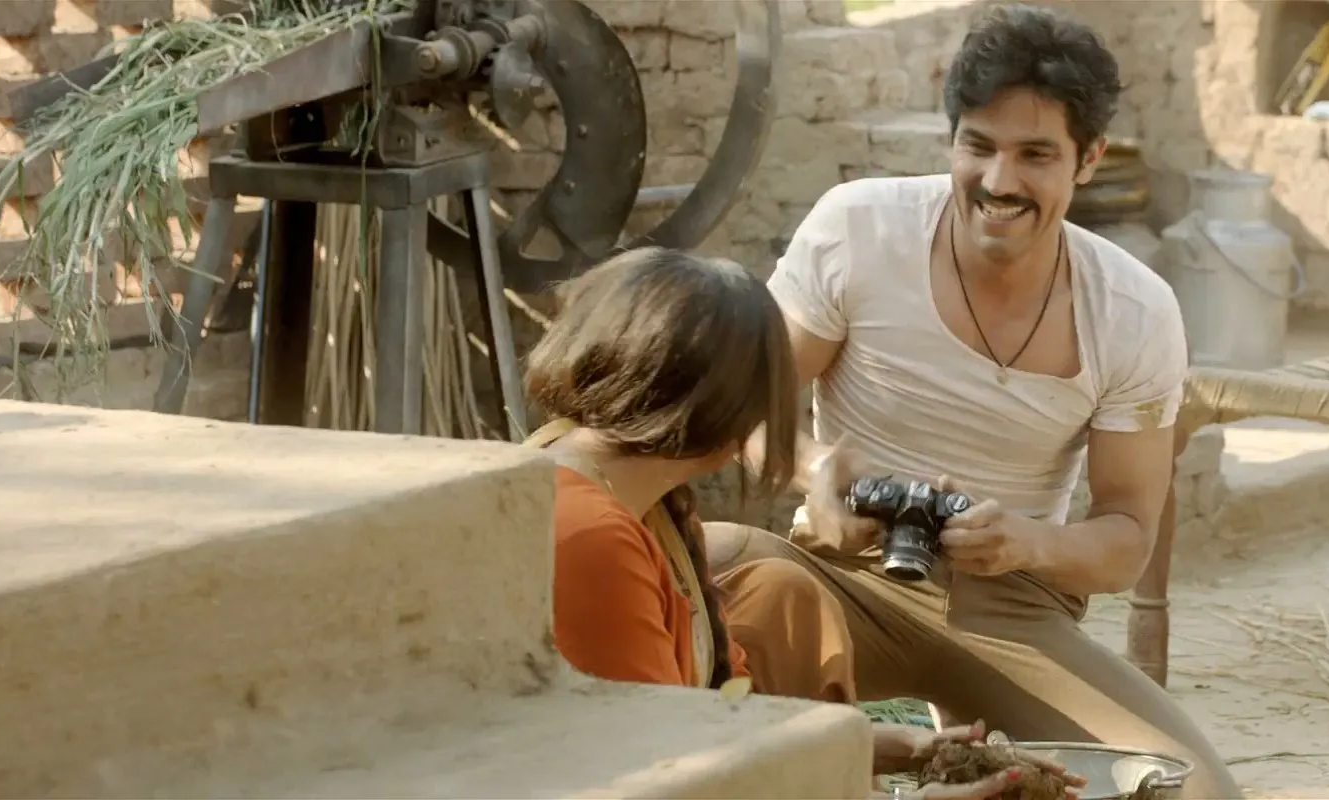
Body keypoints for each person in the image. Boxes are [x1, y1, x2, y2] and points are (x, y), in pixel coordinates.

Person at [706, 3, 1243, 798]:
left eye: (1036, 155)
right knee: (707, 571)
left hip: (1010, 604)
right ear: (950, 140)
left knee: (1190, 790)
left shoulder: (1134, 309)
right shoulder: (859, 229)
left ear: (1089, 159)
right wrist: (819, 476)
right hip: (843, 572)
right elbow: (749, 409)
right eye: (979, 146)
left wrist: (1027, 543)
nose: (999, 182)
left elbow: (1127, 538)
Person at [519, 247, 1083, 800]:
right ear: (724, 413)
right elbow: (665, 773)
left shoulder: (633, 493)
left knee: (779, 592)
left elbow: (725, 712)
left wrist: (878, 746)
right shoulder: (593, 538)